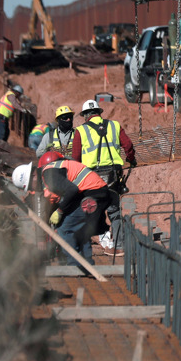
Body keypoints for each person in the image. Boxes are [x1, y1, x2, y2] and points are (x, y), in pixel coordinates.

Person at [12, 152, 111, 266]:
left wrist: (60, 211)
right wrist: (41, 237)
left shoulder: (49, 176)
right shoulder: (46, 174)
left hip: (93, 194)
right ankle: (85, 263)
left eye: (29, 186)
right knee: (78, 228)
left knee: (65, 228)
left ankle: (76, 265)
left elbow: (72, 190)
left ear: (33, 176)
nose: (31, 189)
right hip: (92, 192)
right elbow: (42, 211)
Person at [73, 99, 136, 254]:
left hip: (91, 177)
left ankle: (84, 246)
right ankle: (119, 246)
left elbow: (75, 157)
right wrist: (131, 158)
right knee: (114, 211)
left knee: (89, 209)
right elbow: (128, 145)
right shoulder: (114, 125)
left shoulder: (81, 131)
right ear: (99, 113)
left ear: (85, 116)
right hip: (112, 175)